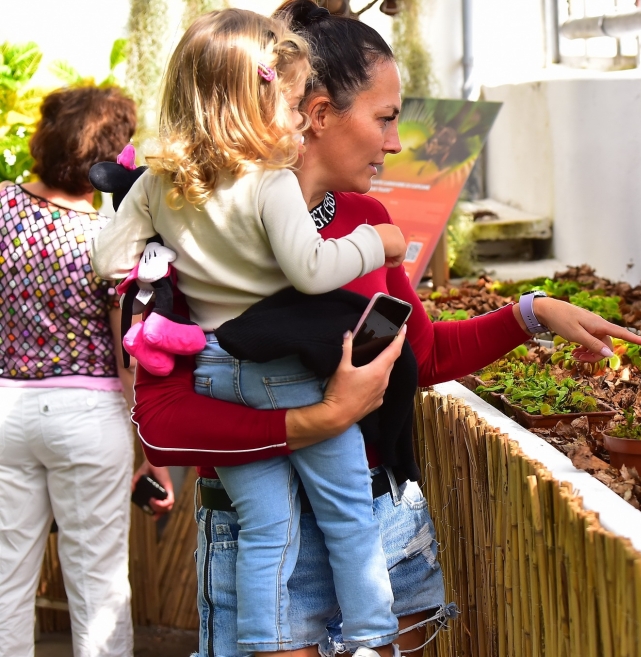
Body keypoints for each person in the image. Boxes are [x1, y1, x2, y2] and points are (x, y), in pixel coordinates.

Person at [128, 3, 641, 657]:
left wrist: (530, 314)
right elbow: (162, 421)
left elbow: (420, 355)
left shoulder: (367, 219)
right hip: (268, 548)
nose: (398, 142)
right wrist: (313, 421)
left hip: (381, 529)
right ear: (316, 114)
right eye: (385, 117)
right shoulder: (185, 228)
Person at [90, 10, 410, 657]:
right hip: (288, 370)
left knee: (264, 526)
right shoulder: (271, 184)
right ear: (260, 100)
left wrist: (168, 257)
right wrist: (376, 241)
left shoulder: (158, 183)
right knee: (348, 511)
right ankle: (376, 637)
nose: (298, 119)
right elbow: (312, 271)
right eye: (292, 103)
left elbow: (107, 261)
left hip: (212, 370)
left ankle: (263, 642)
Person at [0, 85, 173, 657]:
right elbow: (128, 357)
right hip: (87, 419)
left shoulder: (2, 208)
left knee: (6, 578)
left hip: (6, 410)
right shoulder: (109, 236)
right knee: (98, 582)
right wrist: (152, 451)